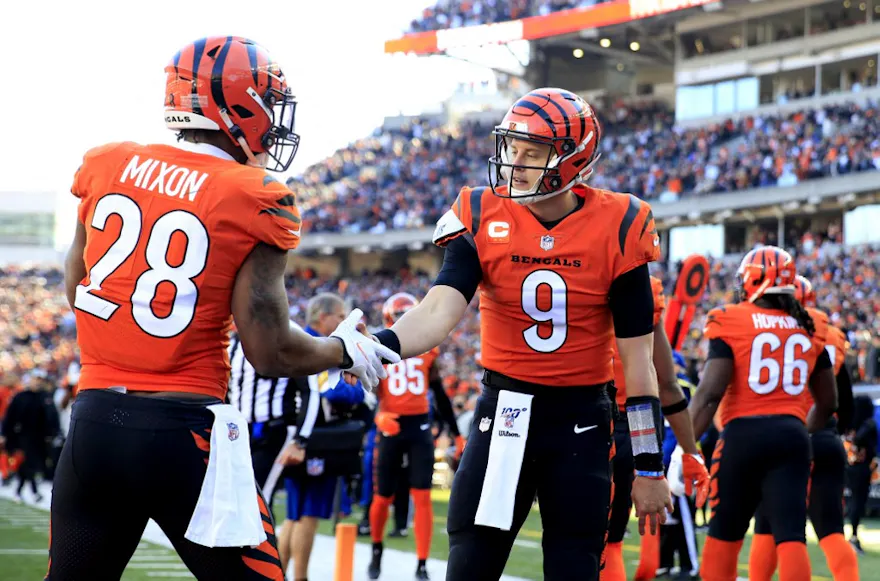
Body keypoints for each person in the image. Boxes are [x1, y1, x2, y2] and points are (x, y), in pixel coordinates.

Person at [50, 36, 397, 581]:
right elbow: (270, 351)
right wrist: (342, 351)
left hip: (93, 426)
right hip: (185, 433)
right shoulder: (254, 194)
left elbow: (78, 289)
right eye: (270, 103)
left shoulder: (105, 164)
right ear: (241, 105)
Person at [372, 87, 672, 581]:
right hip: (505, 410)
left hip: (582, 418)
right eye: (512, 149)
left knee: (574, 565)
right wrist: (382, 343)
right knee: (469, 562)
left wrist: (648, 466)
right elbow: (440, 308)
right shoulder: (481, 210)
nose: (516, 163)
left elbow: (638, 371)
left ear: (574, 160)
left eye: (533, 153)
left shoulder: (620, 223)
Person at [689, 246, 838, 581]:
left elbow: (709, 394)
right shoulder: (810, 324)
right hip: (792, 436)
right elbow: (829, 402)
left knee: (725, 529)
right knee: (790, 534)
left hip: (742, 435)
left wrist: (684, 448)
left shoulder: (731, 318)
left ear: (752, 280)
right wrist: (800, 430)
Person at [748, 275, 858, 580]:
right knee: (831, 530)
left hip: (785, 437)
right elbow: (842, 402)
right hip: (825, 437)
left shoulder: (766, 329)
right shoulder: (830, 335)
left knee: (771, 527)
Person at [603, 277, 709, 581]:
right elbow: (667, 386)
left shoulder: (578, 271)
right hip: (637, 420)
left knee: (579, 541)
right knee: (611, 543)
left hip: (583, 419)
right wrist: (690, 452)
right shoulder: (643, 287)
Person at [368, 293, 464, 580]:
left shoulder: (428, 350)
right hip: (390, 426)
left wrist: (457, 435)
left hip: (419, 426)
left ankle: (422, 563)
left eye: (407, 315)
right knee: (383, 496)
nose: (402, 322)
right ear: (389, 319)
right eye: (398, 316)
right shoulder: (377, 347)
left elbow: (440, 395)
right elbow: (364, 390)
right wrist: (377, 416)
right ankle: (376, 550)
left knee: (422, 496)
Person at [277, 293, 373, 581]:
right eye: (339, 314)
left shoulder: (304, 341)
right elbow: (332, 390)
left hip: (299, 436)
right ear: (323, 316)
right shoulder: (314, 345)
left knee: (294, 516)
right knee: (308, 514)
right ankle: (300, 577)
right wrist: (359, 392)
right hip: (314, 439)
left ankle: (278, 575)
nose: (344, 319)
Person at [847, 395, 877, 555]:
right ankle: (853, 537)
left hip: (852, 466)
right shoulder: (868, 424)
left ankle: (853, 535)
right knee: (858, 502)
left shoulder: (852, 424)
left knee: (854, 501)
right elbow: (860, 439)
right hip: (861, 467)